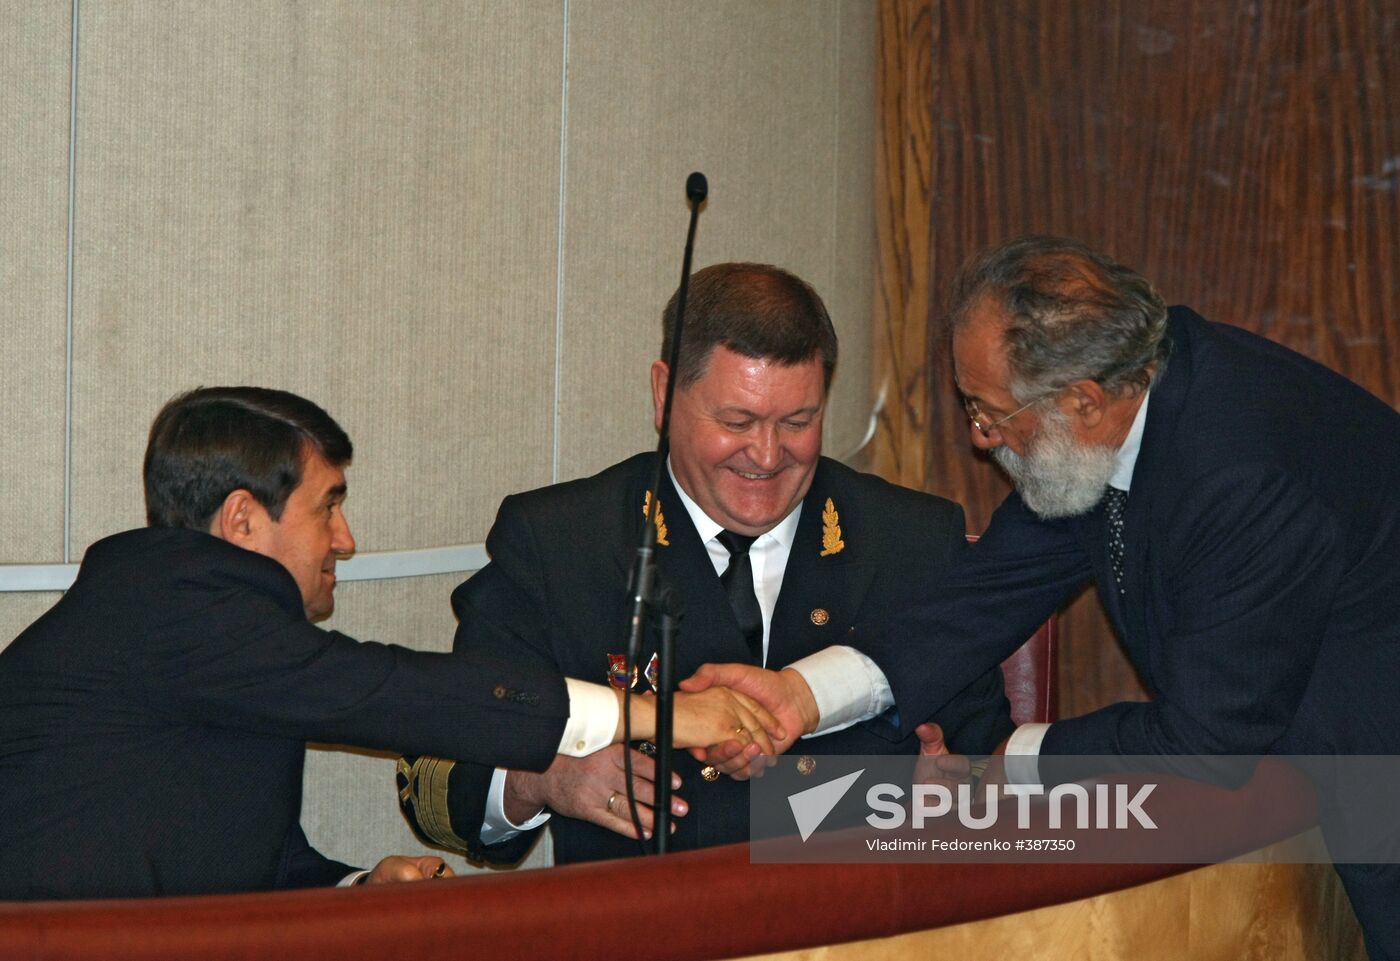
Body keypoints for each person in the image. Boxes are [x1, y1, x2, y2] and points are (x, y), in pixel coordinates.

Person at [684, 236, 1400, 958]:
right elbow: (980, 595)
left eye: (988, 411)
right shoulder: (1113, 404)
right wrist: (801, 696)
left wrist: (1011, 760)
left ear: (1083, 401)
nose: (977, 434)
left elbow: (1206, 742)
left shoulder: (1241, 473)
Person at [0, 387, 777, 899]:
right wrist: (659, 714)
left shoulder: (219, 638)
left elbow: (252, 863)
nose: (346, 538)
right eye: (326, 506)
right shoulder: (170, 607)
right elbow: (395, 693)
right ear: (241, 521)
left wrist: (361, 888)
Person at [398, 262, 1012, 864]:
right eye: (737, 421)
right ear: (664, 395)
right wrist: (547, 779)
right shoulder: (562, 542)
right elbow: (439, 776)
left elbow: (997, 766)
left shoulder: (912, 540)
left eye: (798, 422)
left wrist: (965, 810)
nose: (767, 456)